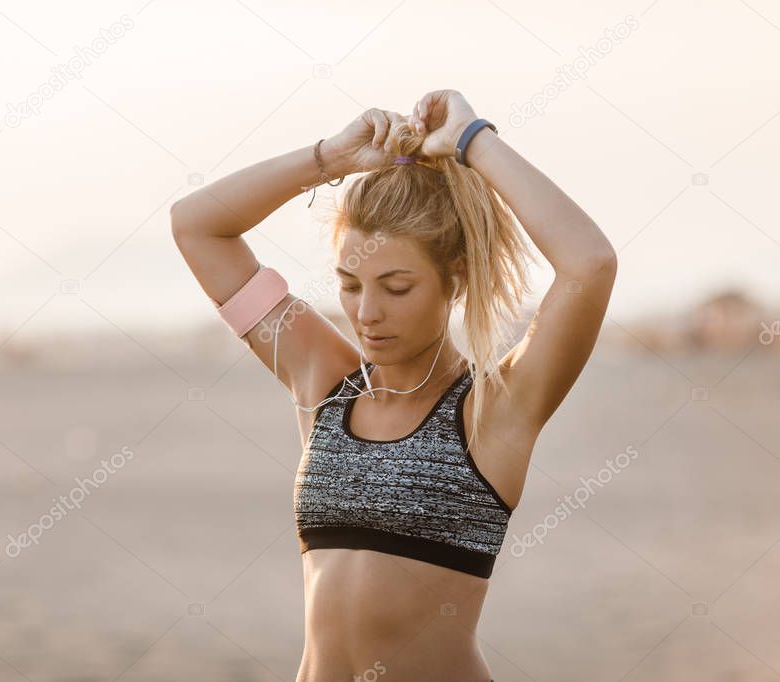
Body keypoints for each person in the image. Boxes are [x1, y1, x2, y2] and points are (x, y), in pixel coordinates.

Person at [170, 89, 616, 682]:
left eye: (397, 287)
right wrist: (329, 158)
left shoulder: (494, 412)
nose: (367, 313)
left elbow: (590, 263)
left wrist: (471, 140)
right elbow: (197, 226)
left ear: (452, 280)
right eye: (350, 284)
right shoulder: (322, 382)